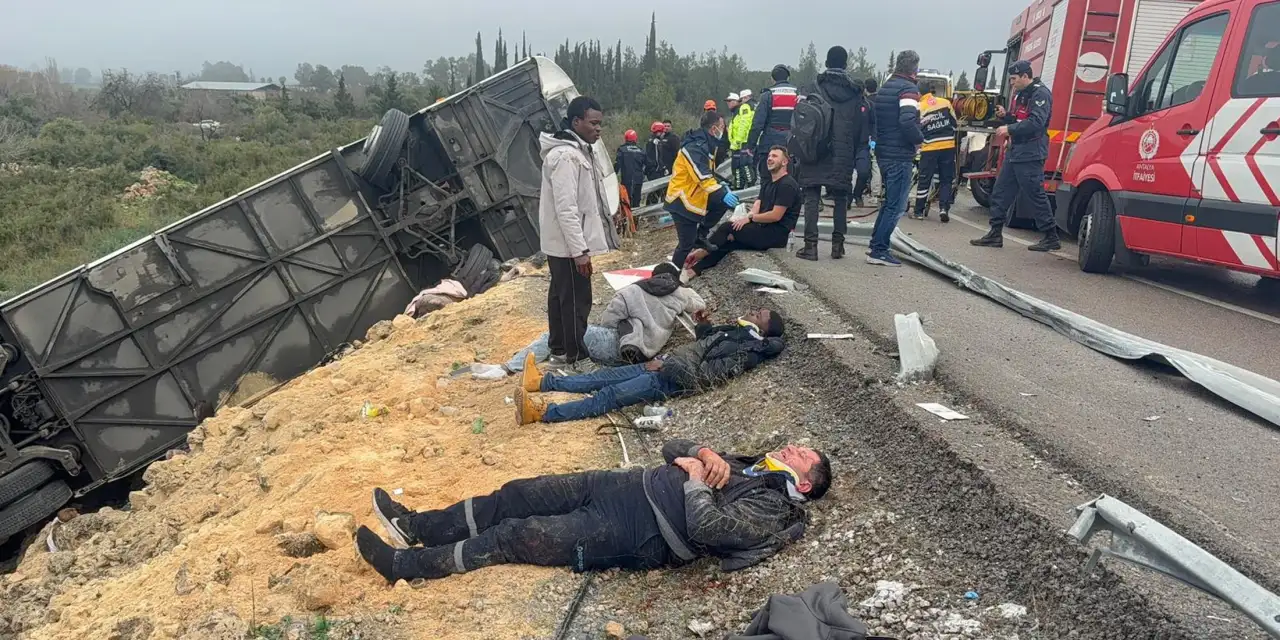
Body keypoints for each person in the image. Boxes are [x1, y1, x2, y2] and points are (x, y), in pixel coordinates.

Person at [357, 438, 833, 583]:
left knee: (517, 535)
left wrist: (692, 482)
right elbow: (673, 445)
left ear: (805, 483)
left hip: (638, 531)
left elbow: (709, 527)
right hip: (619, 485)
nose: (791, 447)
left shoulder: (776, 506)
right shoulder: (749, 464)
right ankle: (416, 525)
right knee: (517, 493)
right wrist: (703, 452)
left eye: (800, 454)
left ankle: (404, 566)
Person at [513, 307, 784, 424]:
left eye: (758, 314)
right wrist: (703, 324)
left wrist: (666, 368)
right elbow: (704, 346)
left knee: (607, 397)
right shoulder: (737, 334)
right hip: (665, 365)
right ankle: (543, 383)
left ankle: (543, 413)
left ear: (763, 329)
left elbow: (707, 375)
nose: (752, 310)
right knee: (603, 377)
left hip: (668, 379)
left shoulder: (747, 351)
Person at [537, 96, 618, 369]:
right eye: (593, 123)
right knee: (575, 301)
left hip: (566, 244)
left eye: (600, 124)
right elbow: (566, 209)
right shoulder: (566, 156)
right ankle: (577, 358)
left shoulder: (577, 151)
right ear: (576, 122)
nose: (599, 129)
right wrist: (580, 251)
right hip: (568, 245)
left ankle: (559, 351)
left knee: (561, 297)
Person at [971, 59, 1056, 251]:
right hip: (1016, 151)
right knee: (1001, 191)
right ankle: (994, 233)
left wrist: (1009, 128)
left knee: (1035, 194)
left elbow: (1036, 122)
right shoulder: (1020, 95)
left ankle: (1051, 235)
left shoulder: (1040, 94)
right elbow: (1020, 118)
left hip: (1031, 152)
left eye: (1014, 79)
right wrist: (1006, 116)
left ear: (1026, 76)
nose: (1011, 83)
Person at [683, 146, 800, 280]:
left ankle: (700, 252)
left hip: (776, 235)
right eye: (769, 156)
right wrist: (747, 219)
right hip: (763, 229)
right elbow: (758, 203)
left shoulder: (786, 185)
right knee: (727, 243)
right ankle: (694, 270)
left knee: (727, 227)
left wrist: (750, 217)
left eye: (774, 156)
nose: (769, 159)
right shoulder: (769, 182)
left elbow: (775, 216)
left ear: (784, 162)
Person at [795, 46, 865, 262]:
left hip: (815, 148)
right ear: (845, 65)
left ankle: (811, 246)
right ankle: (838, 246)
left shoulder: (813, 87)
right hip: (843, 151)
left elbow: (802, 120)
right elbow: (860, 128)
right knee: (841, 197)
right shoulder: (856, 93)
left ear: (826, 63)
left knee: (812, 195)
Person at [867, 51, 924, 268]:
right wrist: (919, 139)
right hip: (899, 153)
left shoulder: (885, 88)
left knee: (888, 203)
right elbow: (908, 121)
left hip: (883, 150)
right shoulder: (908, 90)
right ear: (913, 69)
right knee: (896, 205)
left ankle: (876, 244)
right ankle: (879, 250)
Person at [664, 110, 740, 269]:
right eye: (721, 126)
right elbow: (702, 175)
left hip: (694, 196)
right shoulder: (694, 146)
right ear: (714, 128)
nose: (723, 130)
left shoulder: (706, 144)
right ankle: (671, 278)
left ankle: (701, 234)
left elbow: (708, 174)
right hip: (681, 199)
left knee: (721, 202)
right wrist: (721, 193)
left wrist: (721, 186)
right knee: (685, 244)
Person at [600, 262, 706, 363]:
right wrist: (683, 294)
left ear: (652, 275)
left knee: (630, 321)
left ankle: (631, 343)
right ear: (676, 278)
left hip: (625, 341)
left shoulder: (630, 291)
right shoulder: (681, 293)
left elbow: (608, 319)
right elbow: (701, 304)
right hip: (655, 344)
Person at [747, 65, 799, 183]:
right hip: (790, 145)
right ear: (788, 78)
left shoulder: (767, 95)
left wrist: (751, 145)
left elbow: (757, 124)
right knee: (788, 180)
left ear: (772, 79)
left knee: (767, 180)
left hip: (769, 145)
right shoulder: (797, 94)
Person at [912, 91, 958, 222]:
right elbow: (954, 123)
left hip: (930, 147)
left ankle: (919, 211)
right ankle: (944, 208)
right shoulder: (945, 102)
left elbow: (916, 128)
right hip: (948, 145)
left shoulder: (919, 106)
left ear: (919, 93)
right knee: (946, 179)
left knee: (924, 179)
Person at [852, 77, 878, 208]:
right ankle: (845, 199)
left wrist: (873, 140)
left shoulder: (868, 105)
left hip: (863, 145)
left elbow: (874, 124)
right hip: (846, 145)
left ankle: (857, 194)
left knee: (863, 172)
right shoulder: (845, 105)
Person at [729, 89, 757, 189]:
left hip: (744, 141)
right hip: (754, 139)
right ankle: (748, 186)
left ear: (745, 98)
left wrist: (738, 140)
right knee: (749, 165)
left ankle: (748, 187)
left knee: (745, 165)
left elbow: (744, 124)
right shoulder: (755, 106)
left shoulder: (745, 107)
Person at [615, 129, 646, 209]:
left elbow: (617, 164)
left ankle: (627, 219)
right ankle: (636, 219)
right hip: (638, 180)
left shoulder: (622, 150)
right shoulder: (640, 150)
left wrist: (614, 175)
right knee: (636, 201)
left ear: (626, 138)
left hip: (626, 180)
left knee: (626, 201)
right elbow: (647, 164)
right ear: (635, 139)